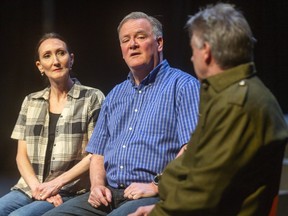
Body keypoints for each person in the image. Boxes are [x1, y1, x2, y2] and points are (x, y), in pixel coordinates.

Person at [129, 3, 288, 216]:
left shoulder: (237, 104)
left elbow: (205, 190)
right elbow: (191, 162)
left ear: (206, 52)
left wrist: (160, 212)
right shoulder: (227, 95)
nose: (192, 57)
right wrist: (161, 197)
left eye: (193, 50)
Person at [43, 11, 200, 216]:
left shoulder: (183, 86)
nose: (132, 44)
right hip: (109, 193)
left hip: (152, 194)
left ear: (159, 42)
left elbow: (193, 147)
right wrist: (97, 185)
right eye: (126, 40)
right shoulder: (115, 94)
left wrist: (156, 185)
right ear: (122, 50)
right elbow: (97, 152)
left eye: (140, 37)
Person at [0, 32, 105, 216]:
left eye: (61, 53)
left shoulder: (92, 98)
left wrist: (55, 185)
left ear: (71, 59)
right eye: (47, 56)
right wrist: (38, 189)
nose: (55, 61)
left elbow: (95, 154)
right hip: (30, 187)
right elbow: (21, 156)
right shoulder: (31, 101)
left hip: (68, 190)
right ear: (40, 66)